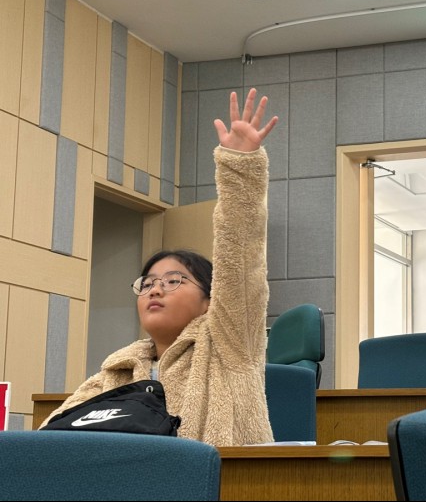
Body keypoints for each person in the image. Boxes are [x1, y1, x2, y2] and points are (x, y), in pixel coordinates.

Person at [41, 87, 279, 446]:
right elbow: (51, 437)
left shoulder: (230, 345)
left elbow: (241, 257)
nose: (155, 289)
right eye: (148, 282)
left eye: (173, 281)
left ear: (210, 299)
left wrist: (239, 168)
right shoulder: (118, 369)